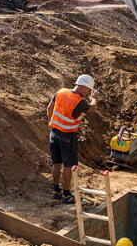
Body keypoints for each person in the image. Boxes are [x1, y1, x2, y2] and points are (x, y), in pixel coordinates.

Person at [46, 74, 100, 203]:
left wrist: (52, 124)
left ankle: (56, 191)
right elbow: (92, 107)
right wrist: (94, 98)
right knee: (68, 166)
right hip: (67, 137)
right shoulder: (80, 102)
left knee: (56, 163)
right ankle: (66, 195)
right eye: (88, 91)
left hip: (54, 133)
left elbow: (49, 109)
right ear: (84, 87)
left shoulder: (61, 91)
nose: (87, 93)